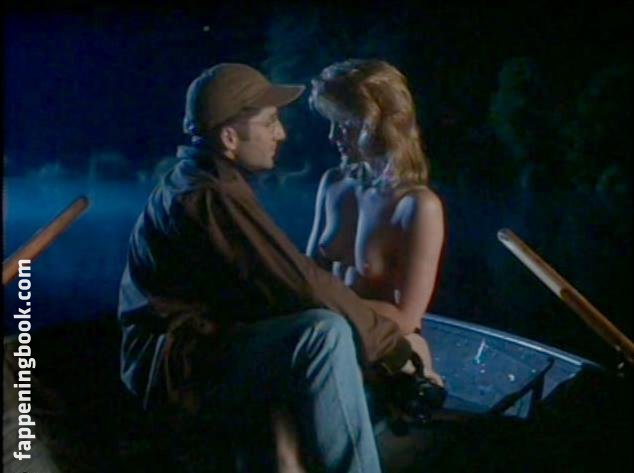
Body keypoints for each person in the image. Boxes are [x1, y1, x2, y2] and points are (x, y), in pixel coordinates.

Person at [118, 63, 429, 472]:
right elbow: (300, 281)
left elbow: (284, 278)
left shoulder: (208, 180)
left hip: (198, 347)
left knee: (319, 330)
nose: (280, 134)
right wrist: (393, 350)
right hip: (176, 367)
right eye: (269, 123)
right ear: (230, 138)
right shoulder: (209, 197)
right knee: (323, 334)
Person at [307, 59, 445, 386]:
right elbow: (310, 272)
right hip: (327, 335)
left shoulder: (417, 207)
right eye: (333, 124)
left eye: (345, 125)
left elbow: (407, 318)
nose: (333, 136)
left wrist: (325, 304)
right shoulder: (334, 183)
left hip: (385, 352)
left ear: (378, 123)